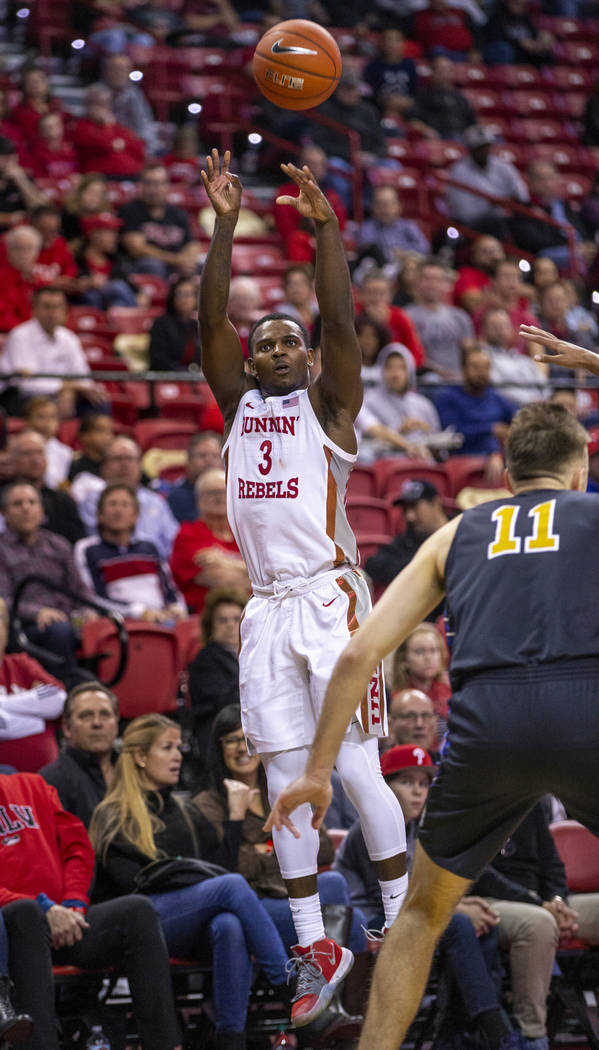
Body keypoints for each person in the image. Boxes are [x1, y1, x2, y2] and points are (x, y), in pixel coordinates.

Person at [265, 398, 599, 1050]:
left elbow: (361, 651)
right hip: (583, 709)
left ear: (505, 476)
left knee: (418, 914)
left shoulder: (456, 531)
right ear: (579, 468)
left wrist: (315, 772)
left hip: (486, 723)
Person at [198, 149, 407, 1027]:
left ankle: (402, 924)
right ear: (251, 363)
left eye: (293, 341)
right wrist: (223, 226)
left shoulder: (330, 409)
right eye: (267, 342)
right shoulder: (237, 403)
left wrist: (324, 233)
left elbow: (343, 323)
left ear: (309, 361)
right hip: (267, 609)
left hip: (329, 599)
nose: (281, 347)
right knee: (287, 774)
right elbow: (210, 319)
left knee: (354, 768)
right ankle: (312, 937)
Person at [89, 714, 292, 1050]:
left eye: (178, 747)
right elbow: (131, 885)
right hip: (140, 925)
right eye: (166, 748)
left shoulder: (184, 810)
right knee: (229, 889)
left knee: (229, 924)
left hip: (186, 922)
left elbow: (222, 869)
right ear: (140, 757)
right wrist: (190, 882)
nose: (178, 755)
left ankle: (231, 1038)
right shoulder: (114, 814)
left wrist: (235, 818)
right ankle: (289, 988)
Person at [335, 744, 519, 1050]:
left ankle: (456, 1034)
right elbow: (388, 898)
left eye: (423, 783)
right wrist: (452, 907)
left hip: (405, 915)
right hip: (368, 922)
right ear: (384, 786)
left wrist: (454, 903)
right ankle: (496, 1031)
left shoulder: (416, 829)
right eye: (406, 782)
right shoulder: (367, 828)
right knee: (458, 925)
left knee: (483, 928)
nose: (417, 792)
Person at [1, 770, 182, 1050]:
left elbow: (76, 848)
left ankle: (165, 1045)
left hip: (65, 922)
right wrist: (44, 909)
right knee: (25, 912)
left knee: (137, 911)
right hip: (13, 929)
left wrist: (73, 904)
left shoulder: (32, 785)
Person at [195, 704, 369, 960]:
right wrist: (239, 820)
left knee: (342, 896)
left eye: (248, 739)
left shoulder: (282, 791)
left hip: (293, 894)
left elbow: (323, 848)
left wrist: (262, 849)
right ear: (219, 748)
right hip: (256, 904)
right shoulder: (207, 804)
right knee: (347, 909)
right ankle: (325, 989)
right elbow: (231, 868)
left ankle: (331, 991)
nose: (242, 748)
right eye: (232, 740)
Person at [473, 800, 599, 1050]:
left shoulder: (532, 802)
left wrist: (557, 901)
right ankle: (532, 1038)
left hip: (542, 901)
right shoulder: (469, 801)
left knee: (546, 917)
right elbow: (479, 874)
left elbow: (553, 865)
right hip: (489, 900)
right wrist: (538, 905)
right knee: (537, 923)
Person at [0, 482, 92, 681]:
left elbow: (79, 590)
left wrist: (89, 611)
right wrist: (37, 613)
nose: (26, 508)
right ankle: (65, 695)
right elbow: (2, 601)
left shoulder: (58, 544)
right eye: (17, 504)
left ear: (41, 510)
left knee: (107, 628)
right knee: (58, 631)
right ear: (4, 513)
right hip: (22, 627)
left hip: (67, 620)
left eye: (32, 502)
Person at [74, 483, 186, 622]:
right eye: (112, 504)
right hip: (118, 621)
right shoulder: (87, 549)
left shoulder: (149, 547)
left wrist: (176, 607)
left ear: (135, 516)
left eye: (125, 505)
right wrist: (138, 612)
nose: (118, 510)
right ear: (100, 514)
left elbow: (169, 588)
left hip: (162, 618)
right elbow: (92, 596)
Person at [0, 287, 106, 417]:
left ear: (64, 311)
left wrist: (69, 390)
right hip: (26, 398)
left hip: (62, 395)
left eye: (57, 307)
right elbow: (27, 383)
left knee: (100, 403)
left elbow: (83, 377)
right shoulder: (20, 336)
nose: (52, 312)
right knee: (44, 408)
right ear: (34, 309)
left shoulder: (69, 338)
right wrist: (66, 387)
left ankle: (91, 437)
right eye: (47, 307)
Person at [72, 436, 179, 561]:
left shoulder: (156, 501)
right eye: (118, 459)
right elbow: (96, 539)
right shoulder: (93, 500)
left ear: (140, 466)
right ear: (104, 467)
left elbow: (174, 543)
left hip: (155, 567)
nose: (124, 465)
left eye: (130, 459)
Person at [170, 468, 250, 614]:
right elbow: (222, 580)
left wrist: (226, 562)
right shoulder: (188, 535)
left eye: (224, 492)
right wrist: (250, 571)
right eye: (212, 493)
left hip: (251, 613)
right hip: (207, 618)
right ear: (199, 500)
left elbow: (270, 575)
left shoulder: (245, 534)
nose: (219, 498)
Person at [40, 681, 120, 827]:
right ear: (67, 728)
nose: (97, 723)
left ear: (116, 723)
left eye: (105, 714)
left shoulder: (135, 771)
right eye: (86, 716)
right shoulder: (50, 782)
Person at [436, 346, 516, 483]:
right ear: (464, 370)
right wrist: (491, 429)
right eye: (475, 367)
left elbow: (521, 418)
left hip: (498, 461)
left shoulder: (495, 398)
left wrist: (496, 449)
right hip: (461, 461)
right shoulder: (448, 397)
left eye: (485, 367)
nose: (481, 373)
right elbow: (453, 434)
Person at [364, 479, 449, 606]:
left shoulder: (460, 529)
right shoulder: (407, 540)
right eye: (405, 509)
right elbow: (372, 565)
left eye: (415, 507)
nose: (409, 516)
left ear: (436, 504)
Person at [356, 344, 441, 464]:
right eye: (389, 367)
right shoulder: (368, 401)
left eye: (401, 368)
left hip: (423, 463)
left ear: (410, 370)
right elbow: (369, 439)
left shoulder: (423, 404)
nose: (395, 374)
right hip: (386, 467)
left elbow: (438, 443)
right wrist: (401, 431)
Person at [187, 588, 246, 760]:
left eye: (236, 619)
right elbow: (225, 703)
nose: (230, 625)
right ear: (210, 626)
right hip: (219, 733)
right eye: (222, 620)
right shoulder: (205, 660)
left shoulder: (257, 654)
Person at [0, 597, 66, 745]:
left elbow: (58, 699)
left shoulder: (21, 663)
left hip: (45, 767)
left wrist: (3, 705)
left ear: (6, 628)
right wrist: (38, 718)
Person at [119, 162, 200, 279]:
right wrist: (175, 260)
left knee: (203, 266)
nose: (155, 189)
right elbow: (137, 248)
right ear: (141, 185)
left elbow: (192, 244)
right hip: (144, 266)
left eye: (160, 183)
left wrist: (186, 260)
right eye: (150, 183)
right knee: (153, 265)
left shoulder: (178, 213)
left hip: (177, 264)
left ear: (167, 186)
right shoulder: (130, 211)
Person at [447, 125, 528, 239]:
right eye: (479, 148)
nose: (484, 151)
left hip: (506, 217)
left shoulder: (503, 166)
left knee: (526, 220)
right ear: (470, 149)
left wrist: (505, 202)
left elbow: (522, 196)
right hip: (476, 223)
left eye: (487, 146)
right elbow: (464, 214)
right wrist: (490, 205)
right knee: (497, 224)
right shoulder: (458, 172)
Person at [511, 161, 593, 272]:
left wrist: (586, 245)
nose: (547, 183)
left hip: (577, 250)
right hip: (547, 255)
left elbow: (580, 229)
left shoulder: (564, 205)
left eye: (551, 178)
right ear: (530, 182)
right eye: (541, 179)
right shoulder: (523, 209)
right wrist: (573, 247)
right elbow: (532, 242)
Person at [8, 430, 86, 545]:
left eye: (39, 453)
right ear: (13, 459)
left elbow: (78, 543)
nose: (35, 459)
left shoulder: (64, 501)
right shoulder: (4, 497)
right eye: (27, 453)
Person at [405, 259, 474, 381]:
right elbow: (411, 356)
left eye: (436, 279)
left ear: (445, 284)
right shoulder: (407, 316)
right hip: (425, 381)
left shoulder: (460, 317)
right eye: (426, 279)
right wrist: (443, 374)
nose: (431, 284)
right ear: (417, 282)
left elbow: (471, 353)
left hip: (459, 381)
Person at [391, 623, 451, 749]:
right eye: (419, 652)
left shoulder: (451, 691)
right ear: (404, 660)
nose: (428, 658)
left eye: (434, 651)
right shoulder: (397, 701)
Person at [356, 270, 426, 368]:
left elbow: (417, 356)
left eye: (381, 293)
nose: (376, 298)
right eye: (370, 292)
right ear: (361, 295)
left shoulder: (400, 317)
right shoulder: (355, 319)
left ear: (390, 296)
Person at [73, 85, 146, 179]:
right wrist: (108, 128)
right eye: (97, 103)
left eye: (105, 104)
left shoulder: (115, 126)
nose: (102, 108)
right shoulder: (82, 127)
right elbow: (103, 144)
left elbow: (138, 147)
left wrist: (121, 142)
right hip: (102, 176)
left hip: (132, 174)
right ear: (87, 106)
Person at [479, 308, 549, 406]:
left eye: (504, 326)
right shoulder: (483, 357)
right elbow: (499, 388)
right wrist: (529, 401)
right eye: (495, 327)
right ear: (484, 330)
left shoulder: (523, 360)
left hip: (537, 407)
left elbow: (543, 383)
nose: (500, 331)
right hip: (509, 409)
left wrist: (542, 399)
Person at [98, 53, 157, 154]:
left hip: (129, 145)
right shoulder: (96, 93)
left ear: (129, 72)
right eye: (114, 69)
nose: (118, 73)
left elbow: (144, 126)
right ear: (107, 71)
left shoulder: (135, 95)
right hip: (103, 146)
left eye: (122, 70)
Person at [357, 185, 430, 268]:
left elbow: (424, 247)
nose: (385, 208)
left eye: (389, 203)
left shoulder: (408, 226)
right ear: (373, 207)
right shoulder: (367, 228)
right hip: (381, 270)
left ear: (399, 206)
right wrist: (393, 254)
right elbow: (367, 251)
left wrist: (404, 253)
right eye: (380, 204)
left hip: (408, 266)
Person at [409, 55, 475, 141]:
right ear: (433, 73)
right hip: (439, 136)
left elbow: (472, 123)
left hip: (462, 136)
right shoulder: (423, 95)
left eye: (448, 70)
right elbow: (413, 120)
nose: (445, 75)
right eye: (441, 71)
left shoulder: (460, 98)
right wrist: (427, 130)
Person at [167, 431, 223, 524]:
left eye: (215, 456)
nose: (209, 461)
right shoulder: (176, 497)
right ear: (189, 461)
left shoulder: (233, 494)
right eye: (202, 456)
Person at [148, 276, 201, 372]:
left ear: (195, 299)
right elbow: (158, 360)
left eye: (188, 294)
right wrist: (187, 373)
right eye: (179, 294)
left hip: (193, 380)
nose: (184, 299)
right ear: (172, 297)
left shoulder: (198, 327)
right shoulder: (161, 324)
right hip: (166, 379)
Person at [24, 397, 73, 490]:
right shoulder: (18, 446)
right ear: (28, 420)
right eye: (41, 417)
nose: (47, 422)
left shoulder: (65, 452)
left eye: (52, 417)